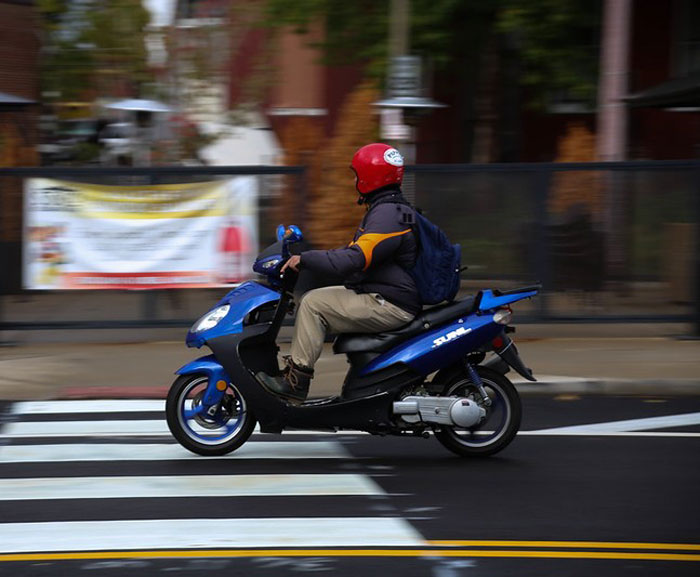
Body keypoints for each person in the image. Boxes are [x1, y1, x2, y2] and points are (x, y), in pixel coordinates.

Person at [257, 143, 421, 402]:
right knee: (320, 297)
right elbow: (353, 254)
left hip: (389, 302)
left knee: (313, 304)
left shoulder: (388, 215)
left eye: (358, 174)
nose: (355, 180)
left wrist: (307, 258)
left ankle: (295, 383)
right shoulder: (388, 210)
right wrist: (311, 260)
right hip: (381, 292)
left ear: (371, 176)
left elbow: (354, 259)